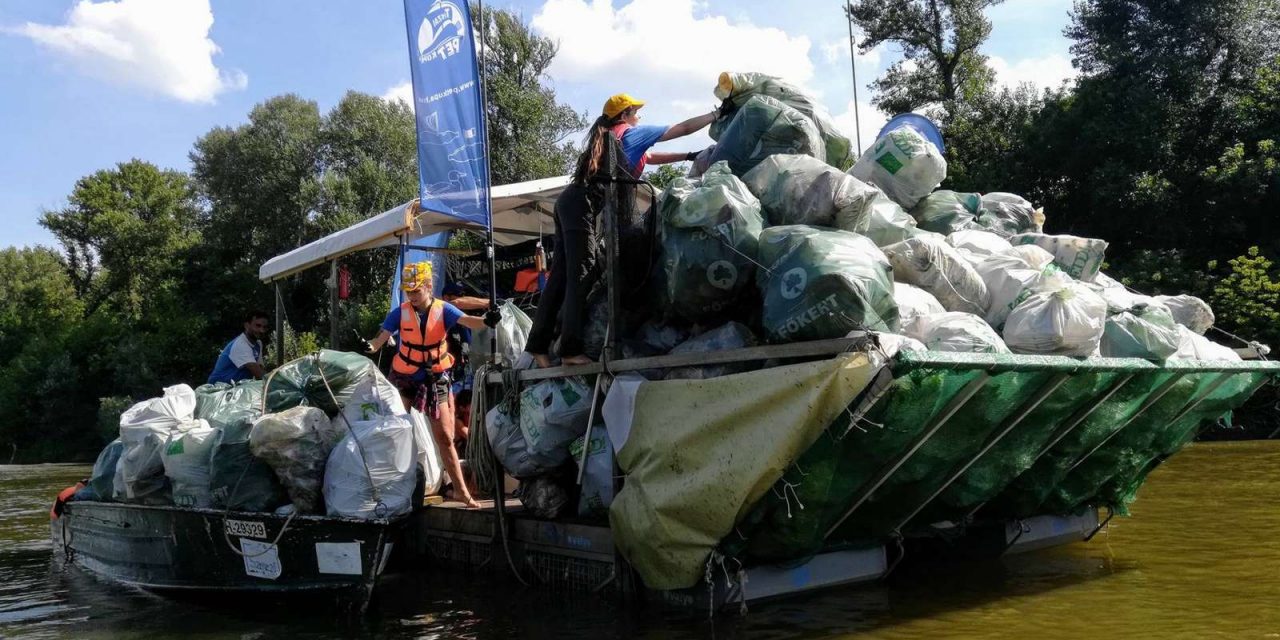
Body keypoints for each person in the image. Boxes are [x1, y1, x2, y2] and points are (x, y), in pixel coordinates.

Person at [525, 93, 717, 367]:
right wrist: (714, 115)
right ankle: (569, 349)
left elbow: (648, 158)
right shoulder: (630, 132)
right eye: (636, 111)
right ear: (625, 114)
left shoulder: (611, 135)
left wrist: (687, 156)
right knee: (583, 273)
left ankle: (538, 345)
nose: (640, 115)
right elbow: (683, 128)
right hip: (582, 205)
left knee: (560, 278)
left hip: (569, 201)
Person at [366, 262, 490, 508]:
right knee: (394, 429)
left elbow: (469, 321)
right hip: (404, 376)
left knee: (444, 436)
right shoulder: (400, 313)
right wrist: (370, 346)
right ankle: (383, 488)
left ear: (428, 286)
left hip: (435, 378)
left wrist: (488, 320)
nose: (412, 295)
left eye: (416, 290)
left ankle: (463, 493)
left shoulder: (444, 310)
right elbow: (380, 339)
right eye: (408, 291)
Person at [207, 310, 269, 384]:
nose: (262, 330)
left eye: (265, 327)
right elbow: (259, 374)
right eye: (258, 326)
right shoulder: (240, 345)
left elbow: (260, 369)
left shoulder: (258, 344)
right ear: (246, 325)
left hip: (236, 388)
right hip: (218, 389)